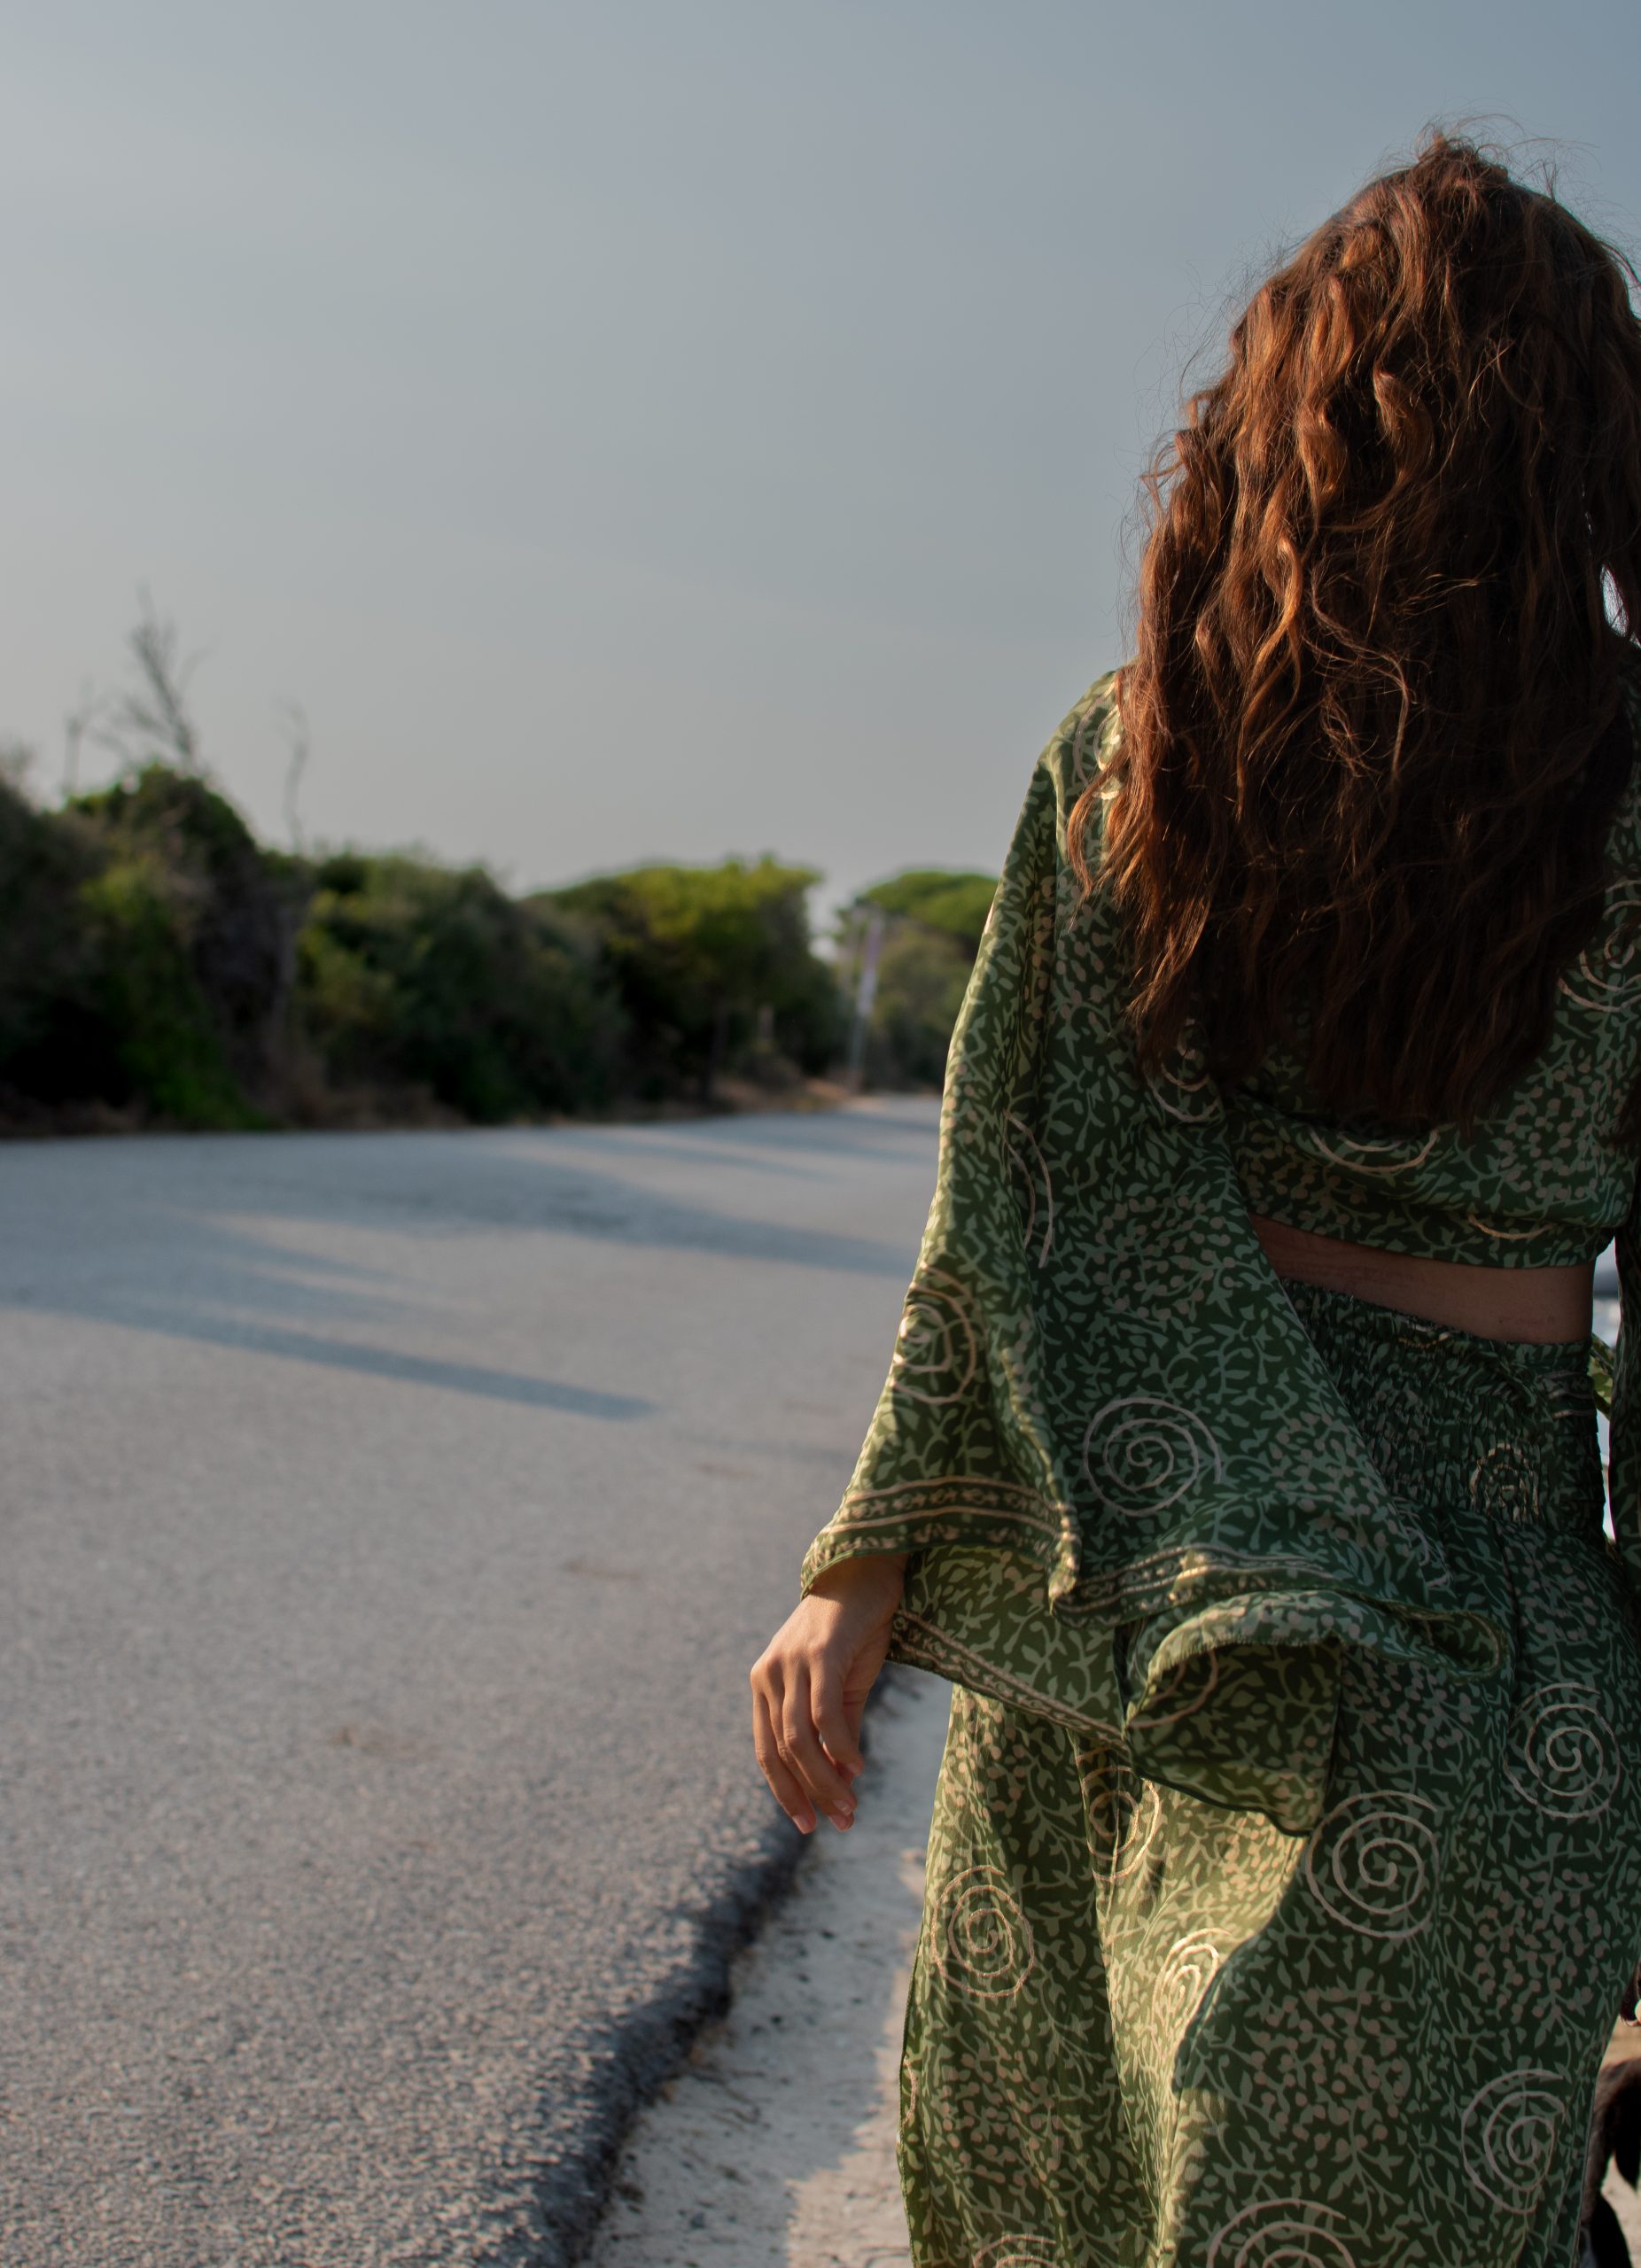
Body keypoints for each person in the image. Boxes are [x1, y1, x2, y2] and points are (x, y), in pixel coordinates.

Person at [750, 132, 1641, 2268]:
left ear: (1278, 420)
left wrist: (858, 1563)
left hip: (1139, 1618)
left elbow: (1006, 1203)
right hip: (1478, 1651)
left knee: (1071, 2203)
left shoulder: (1138, 753)